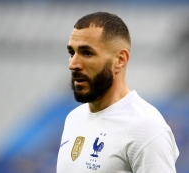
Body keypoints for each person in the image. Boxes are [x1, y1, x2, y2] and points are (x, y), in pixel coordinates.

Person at [57, 12, 179, 173]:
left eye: (87, 53)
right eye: (72, 53)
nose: (73, 64)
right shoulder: (74, 118)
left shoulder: (147, 128)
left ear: (120, 60)